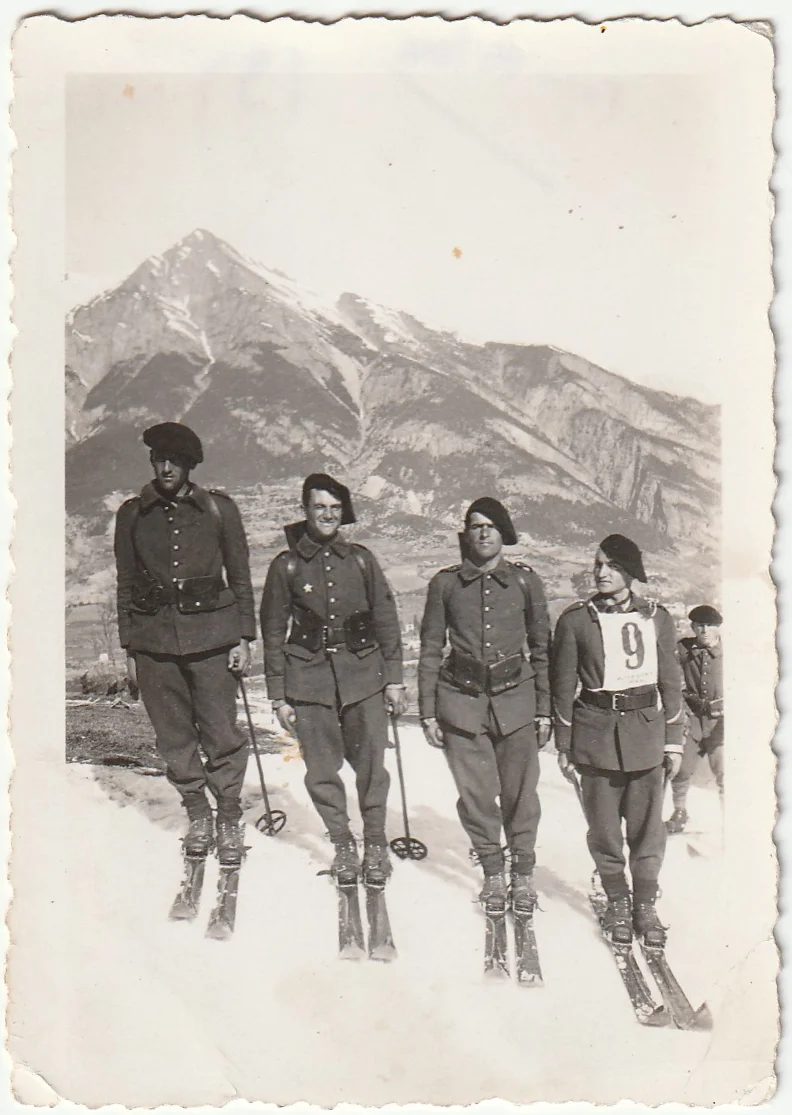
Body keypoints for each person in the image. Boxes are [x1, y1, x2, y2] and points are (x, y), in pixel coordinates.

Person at [114, 422, 255, 866]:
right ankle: (198, 813)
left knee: (221, 733)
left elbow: (241, 576)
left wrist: (244, 637)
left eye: (175, 459)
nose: (166, 466)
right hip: (154, 644)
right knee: (173, 737)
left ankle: (228, 815)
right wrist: (130, 647)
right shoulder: (133, 515)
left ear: (190, 464)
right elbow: (126, 583)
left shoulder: (218, 510)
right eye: (159, 459)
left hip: (213, 640)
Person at [259, 473, 406, 886]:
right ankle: (343, 842)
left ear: (344, 514)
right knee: (321, 769)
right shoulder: (285, 566)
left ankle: (375, 841)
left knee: (372, 767)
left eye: (335, 508)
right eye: (319, 506)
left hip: (364, 676)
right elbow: (273, 631)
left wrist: (394, 679)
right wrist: (278, 696)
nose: (327, 515)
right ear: (305, 510)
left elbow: (386, 618)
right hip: (309, 680)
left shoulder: (361, 559)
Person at [418, 497, 552, 914]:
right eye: (475, 525)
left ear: (504, 534)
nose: (482, 533)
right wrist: (427, 710)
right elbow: (429, 649)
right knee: (475, 796)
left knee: (520, 795)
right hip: (461, 702)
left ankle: (523, 874)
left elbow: (541, 649)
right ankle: (493, 872)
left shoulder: (527, 583)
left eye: (491, 526)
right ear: (466, 533)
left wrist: (544, 709)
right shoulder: (445, 585)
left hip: (516, 702)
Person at [550, 534, 684, 947]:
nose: (601, 572)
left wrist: (674, 740)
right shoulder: (575, 620)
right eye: (597, 565)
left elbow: (671, 682)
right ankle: (617, 901)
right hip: (595, 738)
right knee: (604, 830)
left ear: (630, 572)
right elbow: (562, 686)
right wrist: (565, 744)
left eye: (611, 565)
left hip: (646, 734)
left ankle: (645, 903)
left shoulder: (657, 618)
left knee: (647, 831)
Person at [666, 605, 724, 834]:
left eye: (709, 625)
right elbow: (666, 664)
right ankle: (680, 812)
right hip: (694, 721)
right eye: (699, 626)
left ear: (718, 627)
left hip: (721, 723)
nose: (704, 630)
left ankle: (731, 822)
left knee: (725, 774)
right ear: (693, 627)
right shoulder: (684, 648)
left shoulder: (730, 653)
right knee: (680, 769)